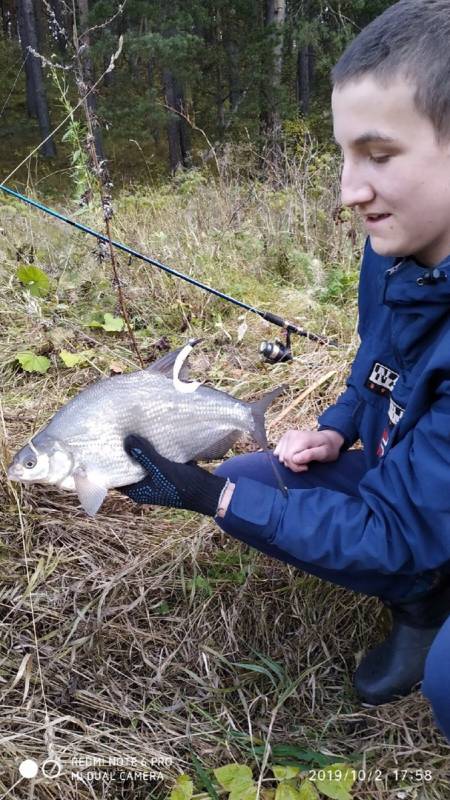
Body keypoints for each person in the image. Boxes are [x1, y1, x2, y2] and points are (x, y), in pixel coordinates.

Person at [120, 0, 450, 741]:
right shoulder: (394, 247)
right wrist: (338, 427)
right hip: (429, 487)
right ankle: (425, 599)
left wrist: (209, 494)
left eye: (380, 155)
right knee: (266, 481)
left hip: (426, 506)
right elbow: (382, 363)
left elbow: (397, 527)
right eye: (343, 156)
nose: (348, 190)